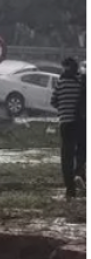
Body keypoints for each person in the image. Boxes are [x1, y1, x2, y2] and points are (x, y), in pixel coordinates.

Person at [51, 57, 86, 199]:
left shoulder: (60, 82)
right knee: (83, 150)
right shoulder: (81, 82)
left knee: (66, 157)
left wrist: (63, 108)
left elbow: (53, 101)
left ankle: (70, 190)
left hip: (65, 123)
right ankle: (79, 173)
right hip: (80, 122)